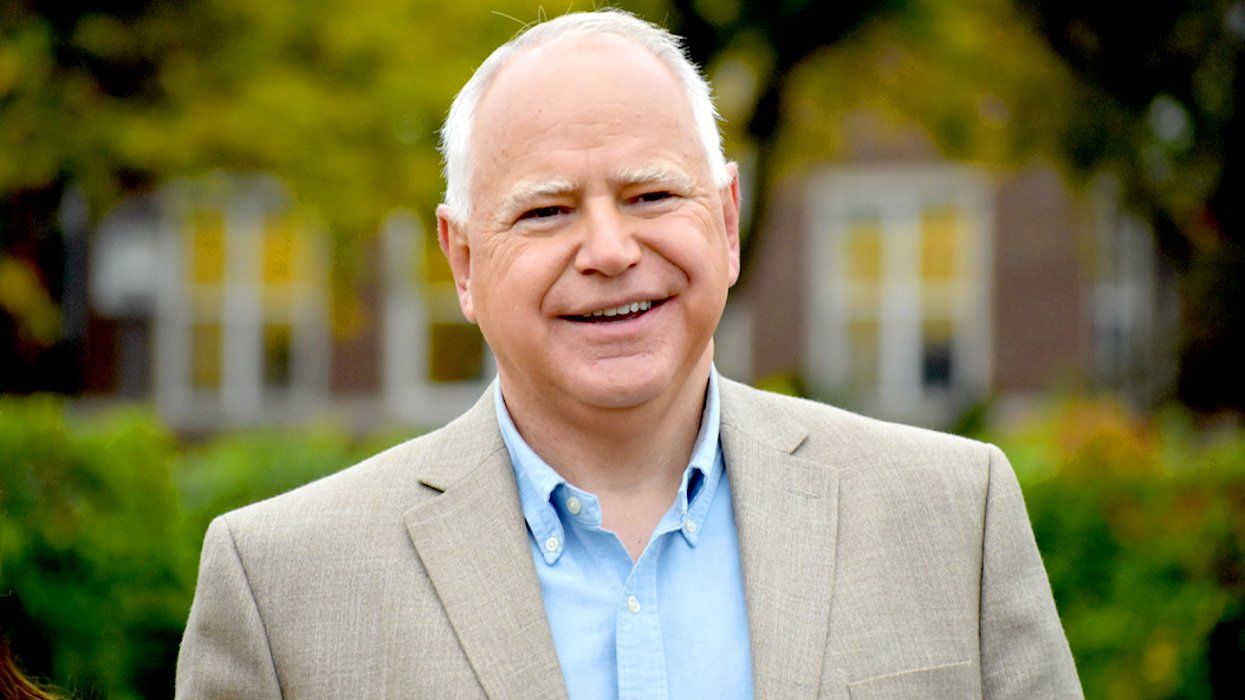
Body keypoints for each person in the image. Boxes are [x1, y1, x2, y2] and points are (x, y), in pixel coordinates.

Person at [176, 9, 1082, 698]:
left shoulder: (953, 518)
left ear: (725, 222)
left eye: (651, 195)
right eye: (545, 210)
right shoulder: (282, 586)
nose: (609, 250)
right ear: (461, 260)